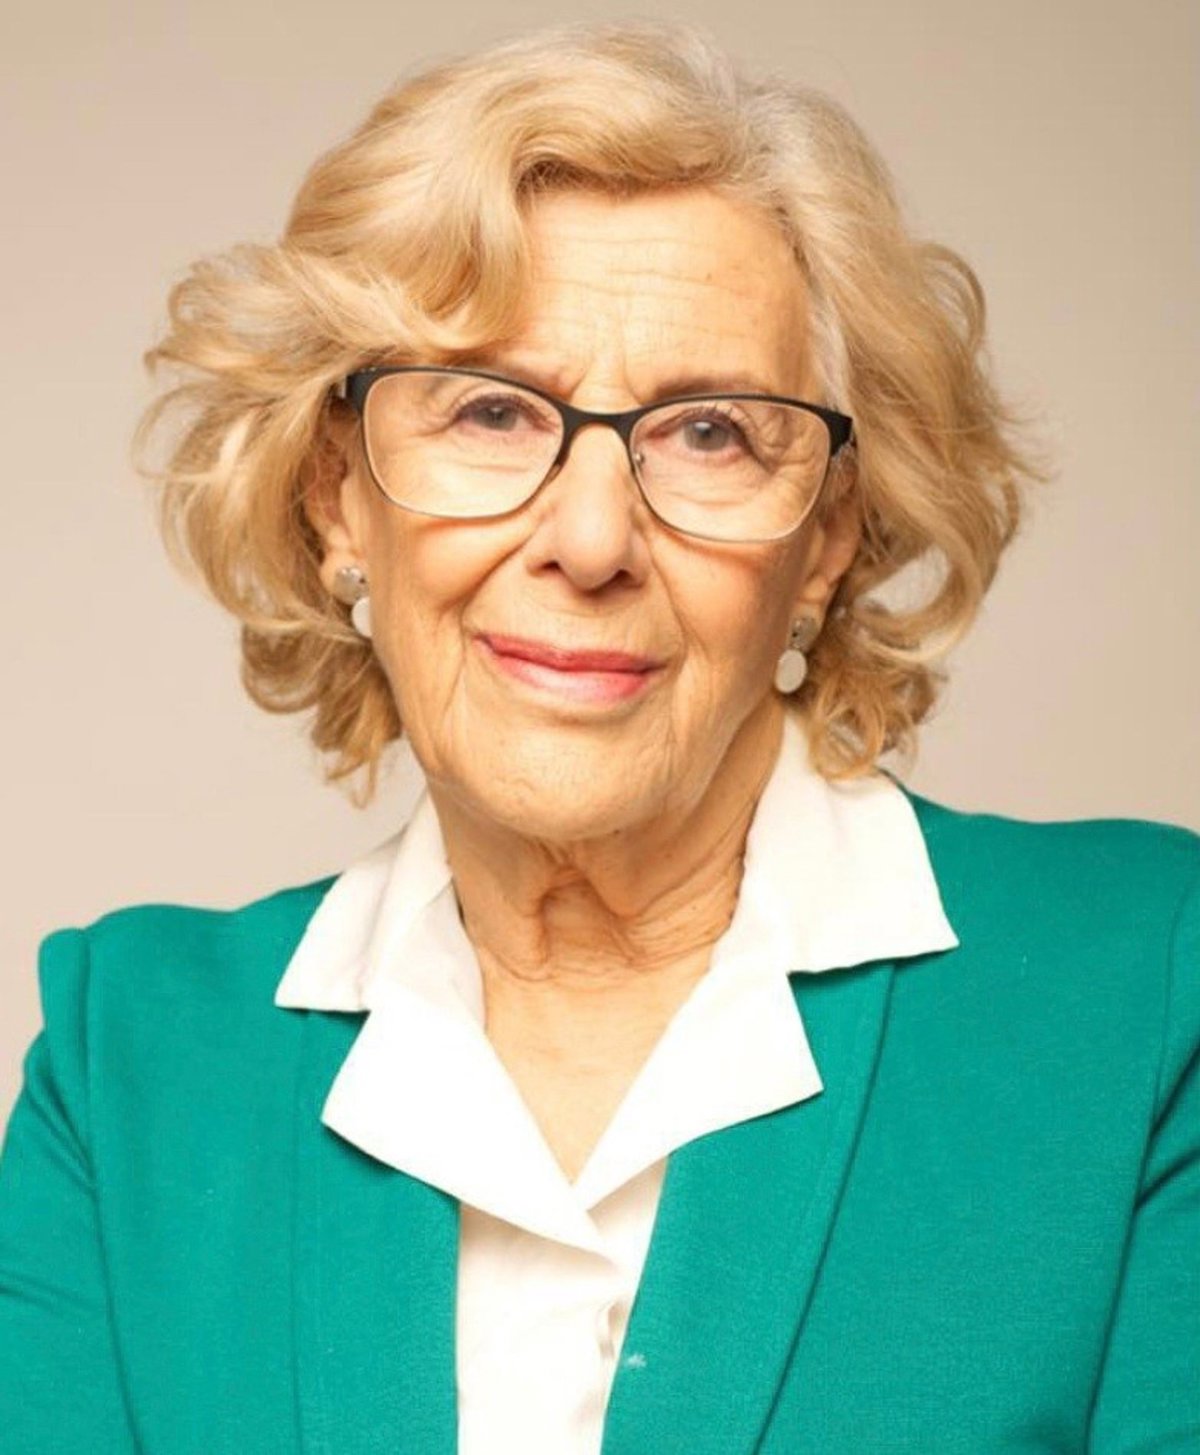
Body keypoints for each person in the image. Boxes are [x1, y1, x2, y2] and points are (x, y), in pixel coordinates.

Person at [0, 19, 1196, 1455]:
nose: (589, 539)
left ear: (826, 537)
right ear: (337, 500)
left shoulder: (1150, 992)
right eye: (491, 411)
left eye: (711, 432)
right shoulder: (132, 1063)